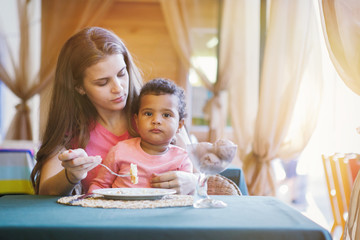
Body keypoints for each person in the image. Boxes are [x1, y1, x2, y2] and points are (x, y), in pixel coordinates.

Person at [30, 27, 196, 196]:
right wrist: (71, 175)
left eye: (122, 74)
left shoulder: (157, 117)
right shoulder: (70, 132)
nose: (118, 88)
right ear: (79, 87)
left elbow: (200, 175)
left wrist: (193, 182)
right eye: (102, 83)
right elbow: (45, 191)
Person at [88, 78, 193, 193]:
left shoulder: (182, 159)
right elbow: (100, 185)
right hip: (120, 210)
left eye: (166, 115)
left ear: (179, 125)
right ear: (137, 120)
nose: (156, 120)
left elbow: (187, 195)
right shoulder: (120, 151)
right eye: (148, 113)